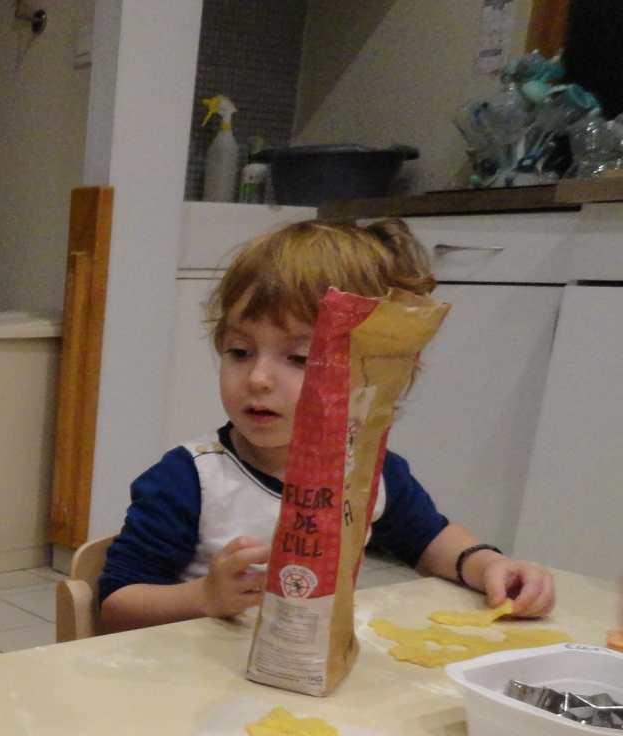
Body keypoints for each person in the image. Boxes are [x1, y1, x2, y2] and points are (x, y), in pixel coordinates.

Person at [98, 217, 557, 634]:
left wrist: (489, 565)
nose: (257, 378)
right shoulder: (190, 479)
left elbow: (431, 540)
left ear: (374, 373)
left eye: (299, 358)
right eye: (240, 352)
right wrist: (204, 597)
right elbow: (115, 605)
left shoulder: (367, 472)